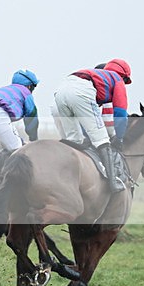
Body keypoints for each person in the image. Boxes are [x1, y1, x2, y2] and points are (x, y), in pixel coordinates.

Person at [53, 58, 132, 193]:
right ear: (123, 76)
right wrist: (119, 138)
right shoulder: (117, 80)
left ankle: (65, 177)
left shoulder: (97, 76)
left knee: (74, 140)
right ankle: (113, 183)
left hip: (60, 92)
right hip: (81, 92)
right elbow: (120, 112)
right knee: (102, 140)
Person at [0, 69, 40, 161]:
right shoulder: (25, 92)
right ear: (29, 86)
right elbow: (31, 115)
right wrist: (33, 139)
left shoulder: (5, 89)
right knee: (17, 151)